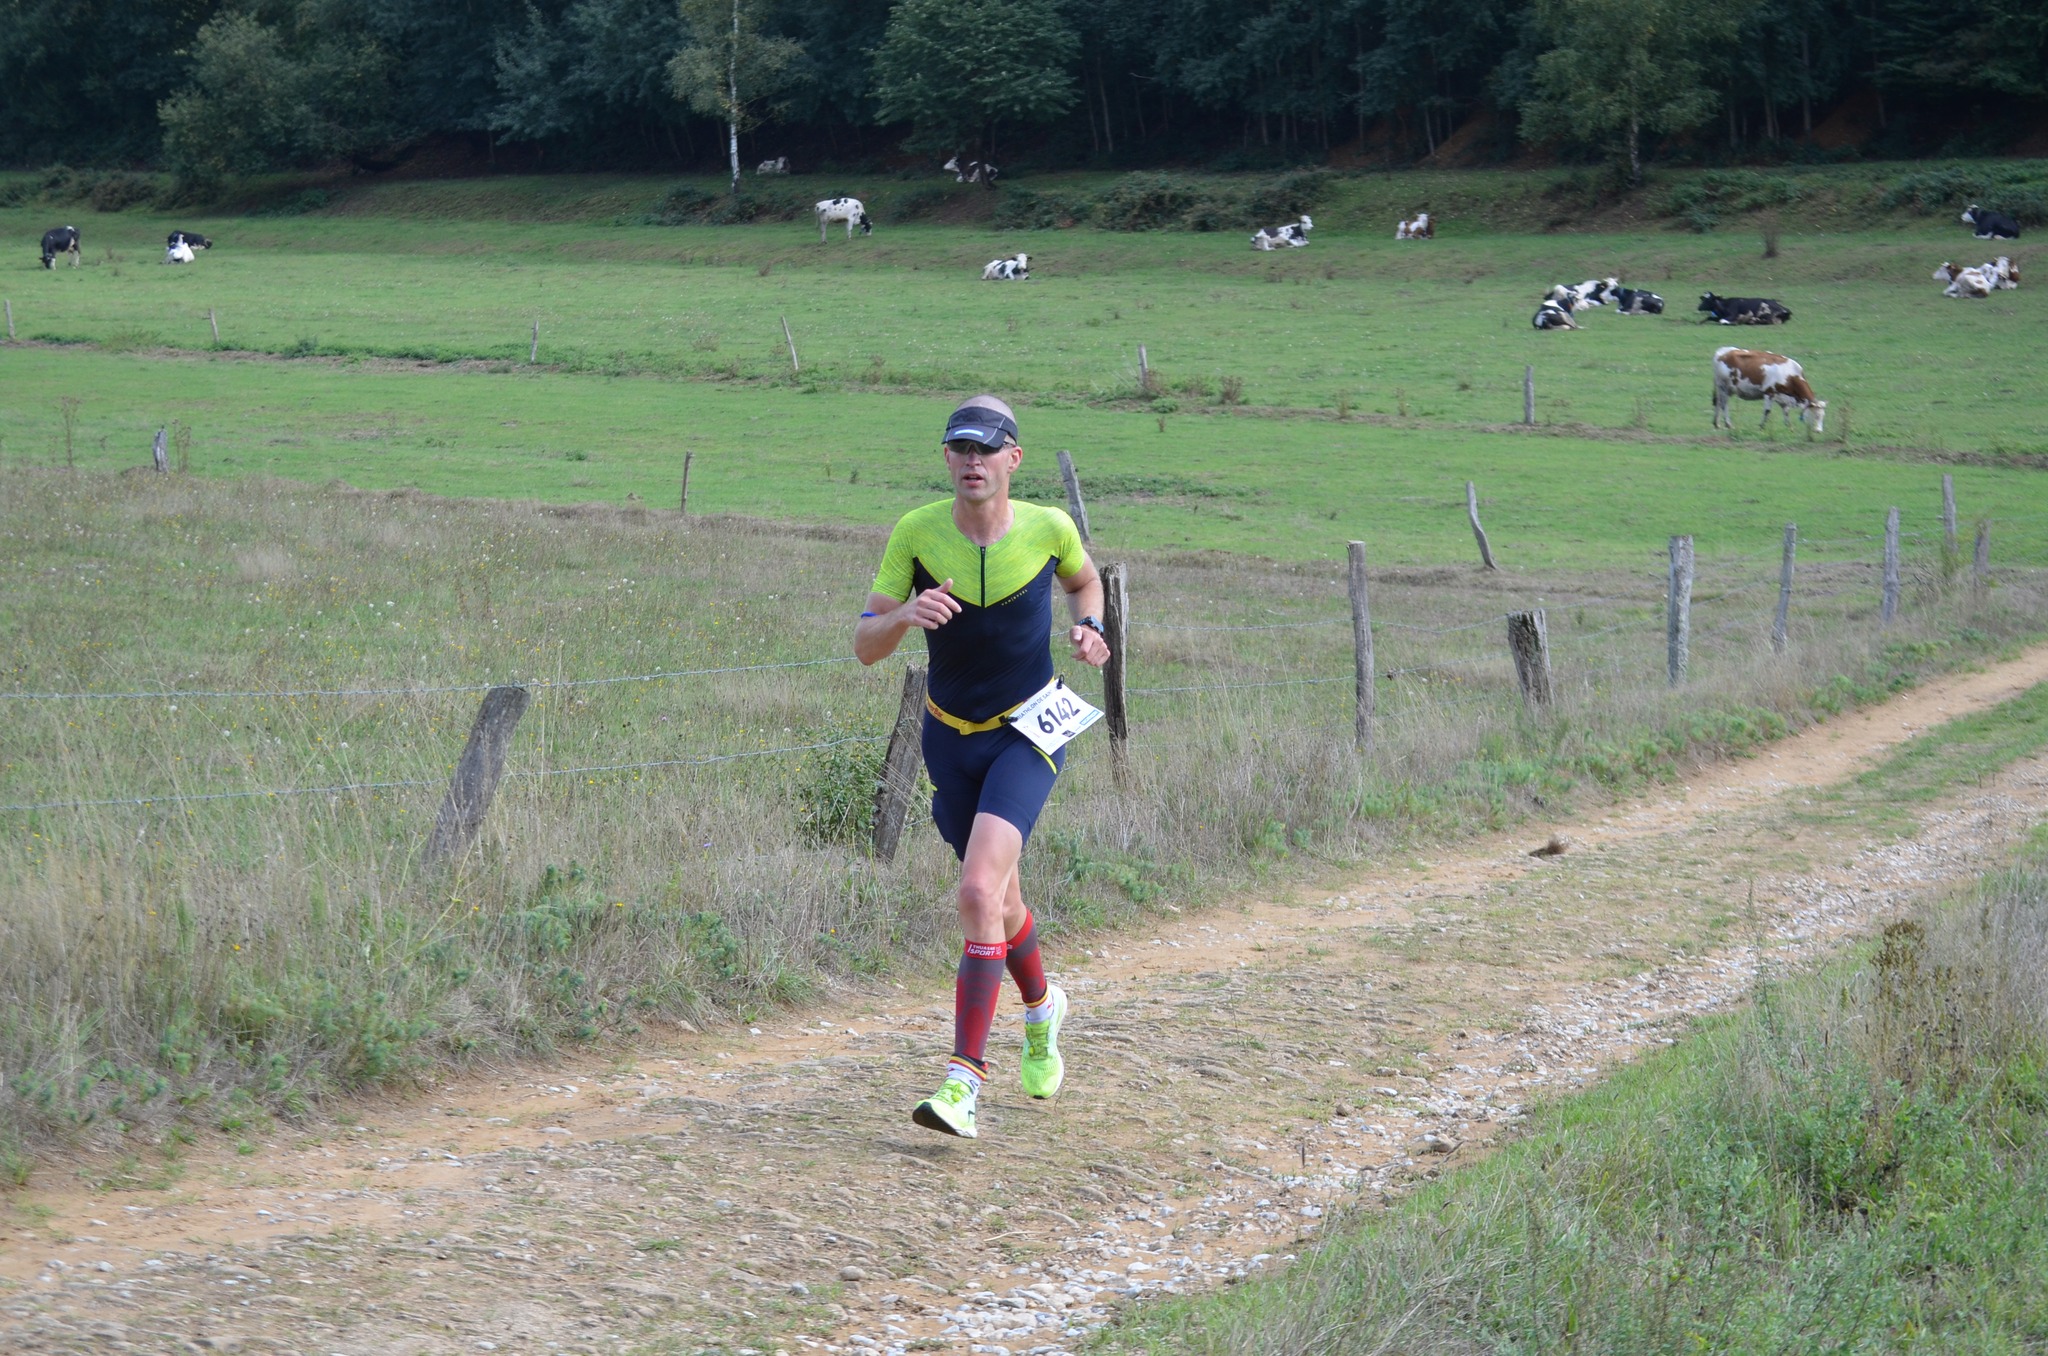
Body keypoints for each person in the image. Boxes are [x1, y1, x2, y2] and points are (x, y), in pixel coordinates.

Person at [855, 395, 1110, 1139]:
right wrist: (903, 616)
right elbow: (865, 645)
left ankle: (962, 1083)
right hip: (948, 738)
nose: (973, 461)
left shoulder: (1049, 527)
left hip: (1029, 734)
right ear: (946, 457)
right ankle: (1042, 1010)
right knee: (1000, 900)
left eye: (987, 449)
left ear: (1013, 459)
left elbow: (1084, 582)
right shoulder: (916, 533)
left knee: (974, 890)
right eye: (961, 448)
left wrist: (1090, 626)